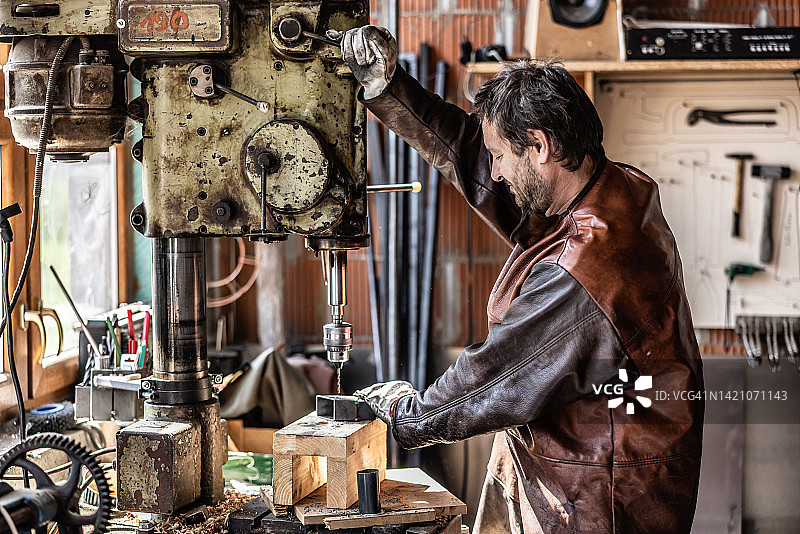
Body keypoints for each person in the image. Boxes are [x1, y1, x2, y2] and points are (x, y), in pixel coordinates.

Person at [336, 26, 705, 534]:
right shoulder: (605, 188)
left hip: (596, 501)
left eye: (503, 155)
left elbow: (494, 375)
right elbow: (474, 159)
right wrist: (388, 88)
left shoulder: (583, 271)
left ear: (538, 146)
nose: (497, 171)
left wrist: (407, 412)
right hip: (561, 470)